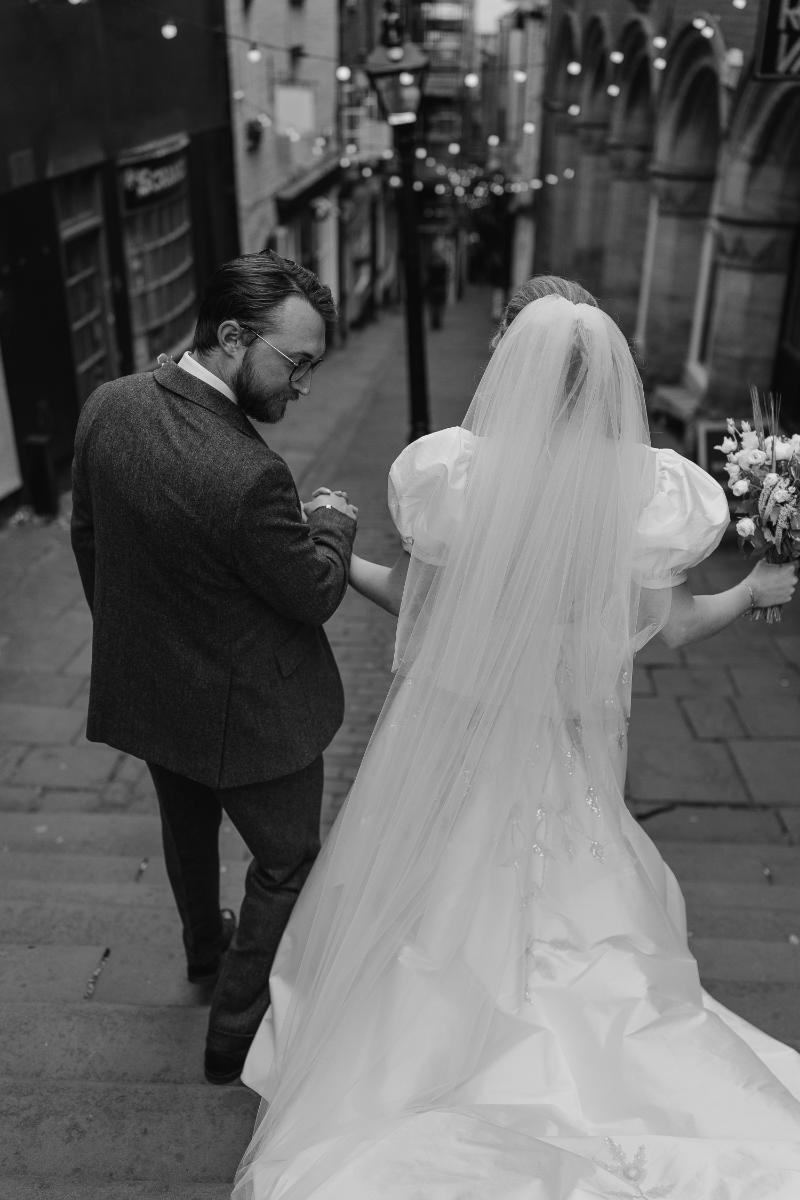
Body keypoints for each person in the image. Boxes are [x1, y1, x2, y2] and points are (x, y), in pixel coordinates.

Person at [232, 276, 800, 1199]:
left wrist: (320, 555)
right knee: (592, 924)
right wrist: (754, 591)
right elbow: (677, 626)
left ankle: (418, 1064)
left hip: (460, 745)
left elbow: (426, 609)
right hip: (567, 761)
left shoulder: (456, 477)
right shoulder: (640, 495)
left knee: (431, 911)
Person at [70, 250, 358, 1087]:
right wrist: (332, 521)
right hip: (255, 720)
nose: (301, 386)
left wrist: (139, 641)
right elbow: (311, 594)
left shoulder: (108, 405)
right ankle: (233, 1030)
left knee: (187, 830)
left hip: (155, 695)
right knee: (288, 859)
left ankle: (206, 948)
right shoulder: (252, 476)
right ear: (232, 336)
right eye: (296, 363)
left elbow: (88, 541)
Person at [425, 242, 450, 331]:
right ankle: (438, 322)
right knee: (439, 306)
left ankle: (434, 322)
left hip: (432, 287)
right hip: (440, 287)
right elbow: (446, 276)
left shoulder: (430, 264)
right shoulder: (443, 264)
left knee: (433, 307)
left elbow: (427, 276)